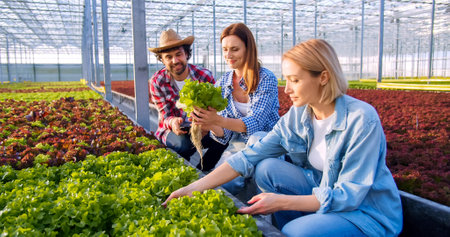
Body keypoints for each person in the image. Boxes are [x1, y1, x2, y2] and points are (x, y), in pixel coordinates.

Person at [164, 39, 403, 236]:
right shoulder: (300, 115)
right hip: (322, 193)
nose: (286, 89)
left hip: (364, 213)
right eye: (286, 79)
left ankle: (301, 228)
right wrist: (193, 187)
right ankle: (305, 226)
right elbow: (249, 155)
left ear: (323, 77)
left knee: (296, 232)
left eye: (295, 80)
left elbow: (348, 196)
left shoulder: (361, 119)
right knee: (267, 167)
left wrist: (281, 202)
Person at [190, 23, 280, 190]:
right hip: (238, 146)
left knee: (255, 144)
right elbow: (224, 135)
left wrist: (218, 119)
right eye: (225, 49)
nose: (228, 55)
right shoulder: (223, 83)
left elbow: (255, 123)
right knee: (221, 185)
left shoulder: (266, 78)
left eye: (234, 49)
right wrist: (209, 123)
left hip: (268, 142)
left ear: (248, 49)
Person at [148, 29, 228, 170]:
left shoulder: (204, 76)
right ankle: (180, 171)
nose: (175, 60)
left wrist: (207, 123)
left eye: (178, 54)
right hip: (176, 130)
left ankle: (202, 171)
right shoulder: (157, 81)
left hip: (203, 127)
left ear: (186, 53)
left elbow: (216, 110)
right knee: (183, 143)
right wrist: (173, 122)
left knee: (224, 136)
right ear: (162, 60)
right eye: (168, 57)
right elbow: (165, 116)